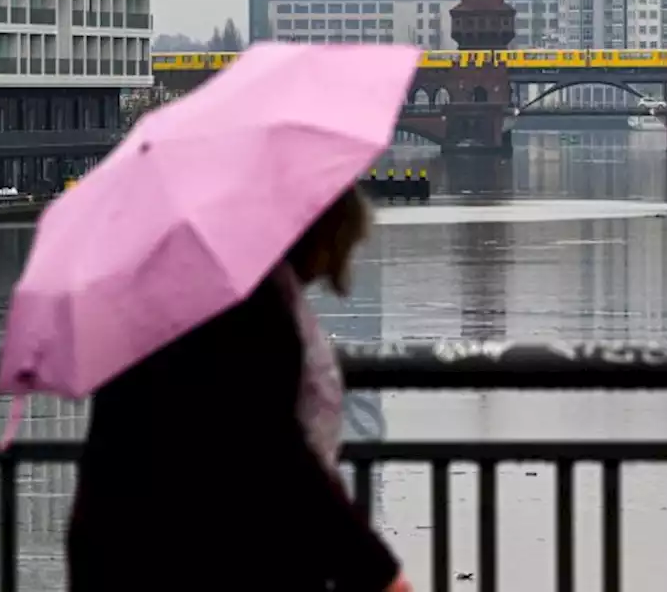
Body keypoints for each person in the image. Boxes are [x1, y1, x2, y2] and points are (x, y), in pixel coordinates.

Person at [67, 186, 411, 592]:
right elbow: (276, 452)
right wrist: (377, 571)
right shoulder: (249, 307)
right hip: (183, 553)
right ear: (314, 237)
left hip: (119, 542)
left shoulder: (186, 289)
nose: (326, 273)